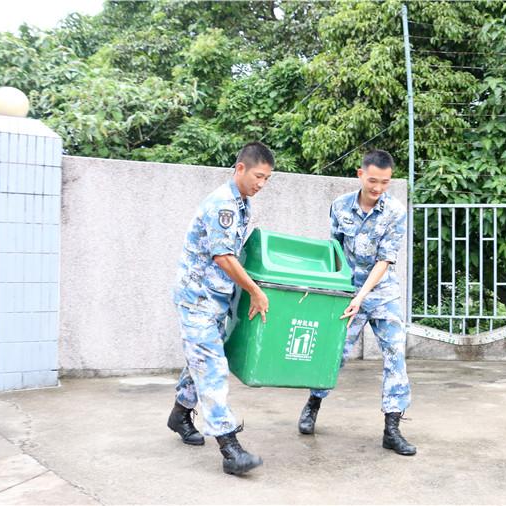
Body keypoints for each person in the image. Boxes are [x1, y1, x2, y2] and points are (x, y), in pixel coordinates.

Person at [296, 149, 416, 456]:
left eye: (385, 183)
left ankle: (392, 428)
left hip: (382, 294)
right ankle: (314, 403)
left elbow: (385, 260)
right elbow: (334, 250)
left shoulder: (395, 211)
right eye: (373, 180)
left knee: (394, 357)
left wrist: (362, 296)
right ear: (360, 174)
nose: (378, 188)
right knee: (334, 355)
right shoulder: (339, 206)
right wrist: (332, 291)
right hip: (347, 295)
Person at [167, 141, 274, 475]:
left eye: (267, 179)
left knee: (200, 361)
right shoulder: (223, 205)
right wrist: (255, 291)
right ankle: (230, 449)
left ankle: (180, 414)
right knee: (212, 368)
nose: (261, 184)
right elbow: (223, 256)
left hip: (215, 300)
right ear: (240, 168)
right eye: (258, 175)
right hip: (197, 299)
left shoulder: (242, 204)